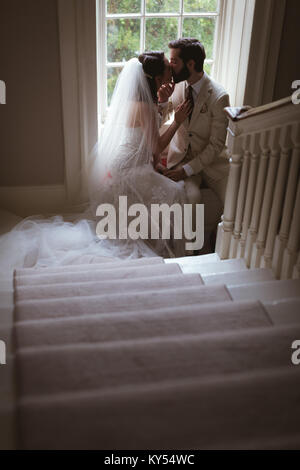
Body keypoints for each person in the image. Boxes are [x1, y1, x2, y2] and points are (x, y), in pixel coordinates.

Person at [0, 52, 193, 269]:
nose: (171, 71)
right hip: (130, 170)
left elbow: (149, 148)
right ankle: (178, 258)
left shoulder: (137, 102)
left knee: (167, 192)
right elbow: (156, 147)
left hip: (126, 164)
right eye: (168, 68)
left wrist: (163, 104)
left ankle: (155, 240)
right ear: (157, 78)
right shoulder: (146, 107)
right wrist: (176, 121)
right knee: (176, 193)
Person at [158, 38, 230, 213]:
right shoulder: (176, 86)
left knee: (236, 203)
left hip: (212, 164)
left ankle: (218, 237)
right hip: (180, 159)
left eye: (174, 61)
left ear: (190, 64)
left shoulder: (219, 97)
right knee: (192, 198)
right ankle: (192, 241)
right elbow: (159, 120)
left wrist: (186, 171)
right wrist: (163, 101)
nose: (170, 66)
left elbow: (216, 145)